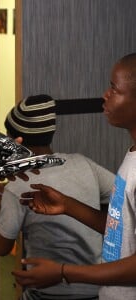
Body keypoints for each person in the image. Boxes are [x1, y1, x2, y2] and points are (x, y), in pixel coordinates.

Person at [14, 53, 136, 300]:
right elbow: (121, 231)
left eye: (114, 89)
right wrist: (68, 205)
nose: (105, 95)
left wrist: (64, 272)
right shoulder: (132, 155)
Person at [0, 94, 115, 300]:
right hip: (96, 289)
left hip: (48, 293)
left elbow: (1, 247)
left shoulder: (17, 185)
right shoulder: (84, 164)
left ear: (16, 140)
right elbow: (125, 200)